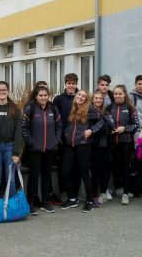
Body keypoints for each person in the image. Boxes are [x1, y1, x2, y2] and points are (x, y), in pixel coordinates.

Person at [61, 90, 105, 213]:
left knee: (84, 173)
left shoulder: (90, 109)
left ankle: (90, 201)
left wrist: (91, 130)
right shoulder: (73, 109)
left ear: (86, 99)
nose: (80, 97)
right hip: (70, 144)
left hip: (83, 144)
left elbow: (102, 121)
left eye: (83, 96)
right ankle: (72, 198)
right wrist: (66, 135)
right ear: (76, 97)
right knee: (65, 171)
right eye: (79, 95)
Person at [22, 85, 61, 215]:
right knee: (34, 176)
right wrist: (31, 142)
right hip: (35, 150)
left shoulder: (53, 109)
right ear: (36, 96)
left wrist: (56, 140)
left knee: (47, 175)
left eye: (45, 95)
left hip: (50, 149)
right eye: (40, 95)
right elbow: (24, 128)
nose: (43, 98)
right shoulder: (30, 109)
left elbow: (59, 126)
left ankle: (45, 202)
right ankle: (30, 203)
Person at [0, 81, 23, 202]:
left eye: (4, 90)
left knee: (11, 178)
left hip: (10, 147)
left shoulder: (14, 109)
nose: (1, 92)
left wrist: (16, 153)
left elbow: (19, 132)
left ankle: (11, 206)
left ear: (8, 91)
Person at [105, 85, 140, 205]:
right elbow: (105, 123)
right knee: (108, 166)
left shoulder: (130, 108)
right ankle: (104, 192)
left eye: (120, 93)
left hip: (126, 143)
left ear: (124, 94)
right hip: (111, 142)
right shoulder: (109, 107)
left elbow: (136, 125)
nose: (117, 96)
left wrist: (124, 129)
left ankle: (125, 193)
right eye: (115, 94)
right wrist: (108, 130)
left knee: (125, 168)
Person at [53, 73, 79, 203]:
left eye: (73, 83)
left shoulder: (81, 97)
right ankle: (63, 192)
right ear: (65, 84)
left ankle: (74, 193)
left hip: (78, 139)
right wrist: (58, 137)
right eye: (69, 83)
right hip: (63, 139)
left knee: (76, 167)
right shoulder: (59, 99)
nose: (71, 86)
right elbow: (55, 120)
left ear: (76, 84)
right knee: (62, 168)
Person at [89, 91, 110, 206]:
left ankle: (100, 192)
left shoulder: (105, 112)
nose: (98, 100)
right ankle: (93, 195)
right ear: (92, 100)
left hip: (103, 145)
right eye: (96, 98)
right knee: (94, 171)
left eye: (100, 98)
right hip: (92, 144)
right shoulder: (89, 112)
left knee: (100, 170)